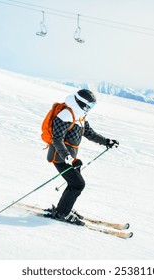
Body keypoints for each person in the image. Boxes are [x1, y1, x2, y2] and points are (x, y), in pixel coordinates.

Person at [45, 89, 119, 225]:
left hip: (70, 159)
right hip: (59, 157)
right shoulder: (65, 115)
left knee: (74, 183)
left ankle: (64, 209)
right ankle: (62, 213)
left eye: (92, 106)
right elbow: (57, 140)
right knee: (78, 184)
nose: (89, 109)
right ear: (80, 102)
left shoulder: (80, 116)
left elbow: (90, 134)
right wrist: (68, 157)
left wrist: (107, 141)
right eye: (88, 106)